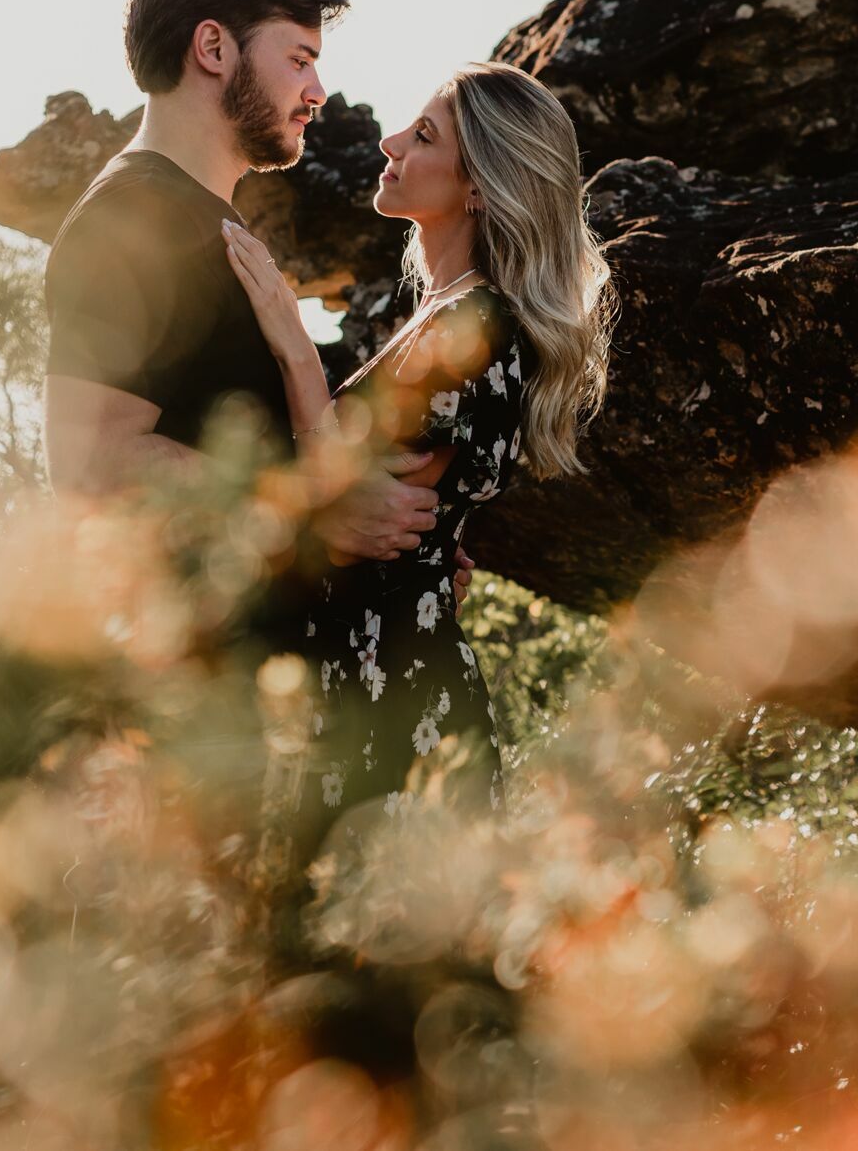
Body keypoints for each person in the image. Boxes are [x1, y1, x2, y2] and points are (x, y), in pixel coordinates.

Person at [222, 61, 616, 932]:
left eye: (425, 137)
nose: (391, 145)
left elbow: (357, 510)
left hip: (393, 712)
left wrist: (293, 345)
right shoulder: (438, 314)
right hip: (362, 690)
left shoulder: (476, 326)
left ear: (480, 189)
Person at [43, 0, 470, 592]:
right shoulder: (131, 218)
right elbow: (87, 462)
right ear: (213, 47)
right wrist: (312, 511)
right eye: (299, 59)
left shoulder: (201, 219)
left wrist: (398, 558)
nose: (318, 91)